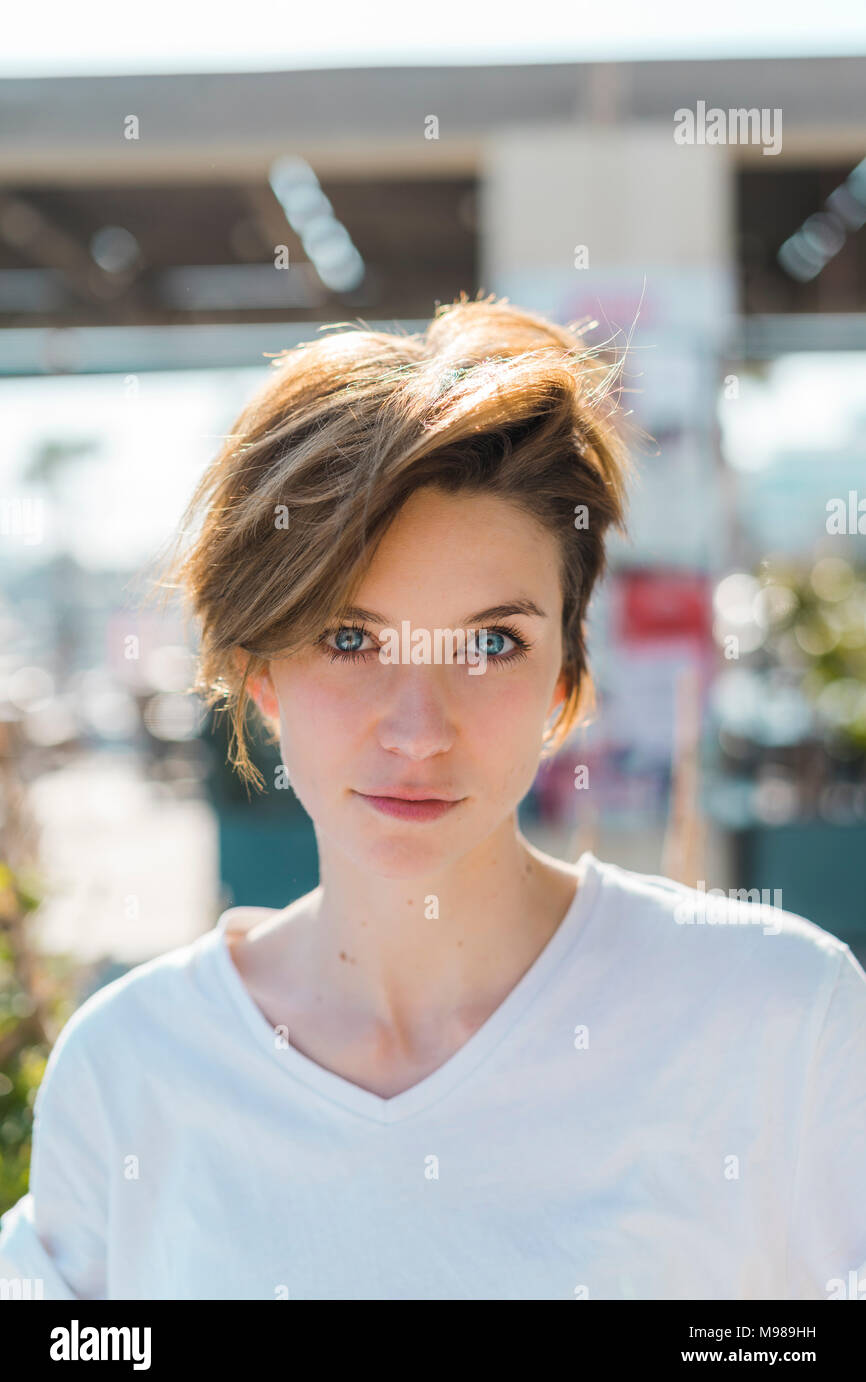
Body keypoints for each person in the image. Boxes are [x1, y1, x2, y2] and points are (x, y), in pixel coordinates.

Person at [1, 294, 864, 1301]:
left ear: (564, 679)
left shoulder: (775, 1020)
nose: (418, 729)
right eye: (350, 639)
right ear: (258, 670)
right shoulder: (131, 1070)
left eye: (490, 642)